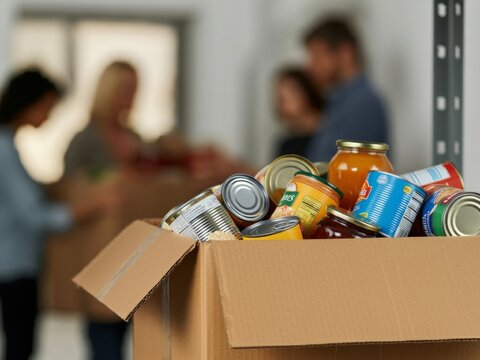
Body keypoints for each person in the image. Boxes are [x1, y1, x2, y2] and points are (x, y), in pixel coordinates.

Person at [0, 69, 118, 360]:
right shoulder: (3, 148)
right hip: (13, 263)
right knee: (20, 345)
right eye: (48, 107)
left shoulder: (9, 144)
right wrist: (94, 205)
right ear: (31, 103)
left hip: (15, 261)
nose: (49, 116)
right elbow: (35, 215)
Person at [303, 17, 389, 161]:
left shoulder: (362, 103)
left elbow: (342, 175)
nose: (310, 66)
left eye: (317, 55)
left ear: (345, 52)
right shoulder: (341, 101)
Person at [274, 66, 325, 157]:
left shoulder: (331, 131)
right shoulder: (289, 145)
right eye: (280, 97)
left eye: (289, 93)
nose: (281, 103)